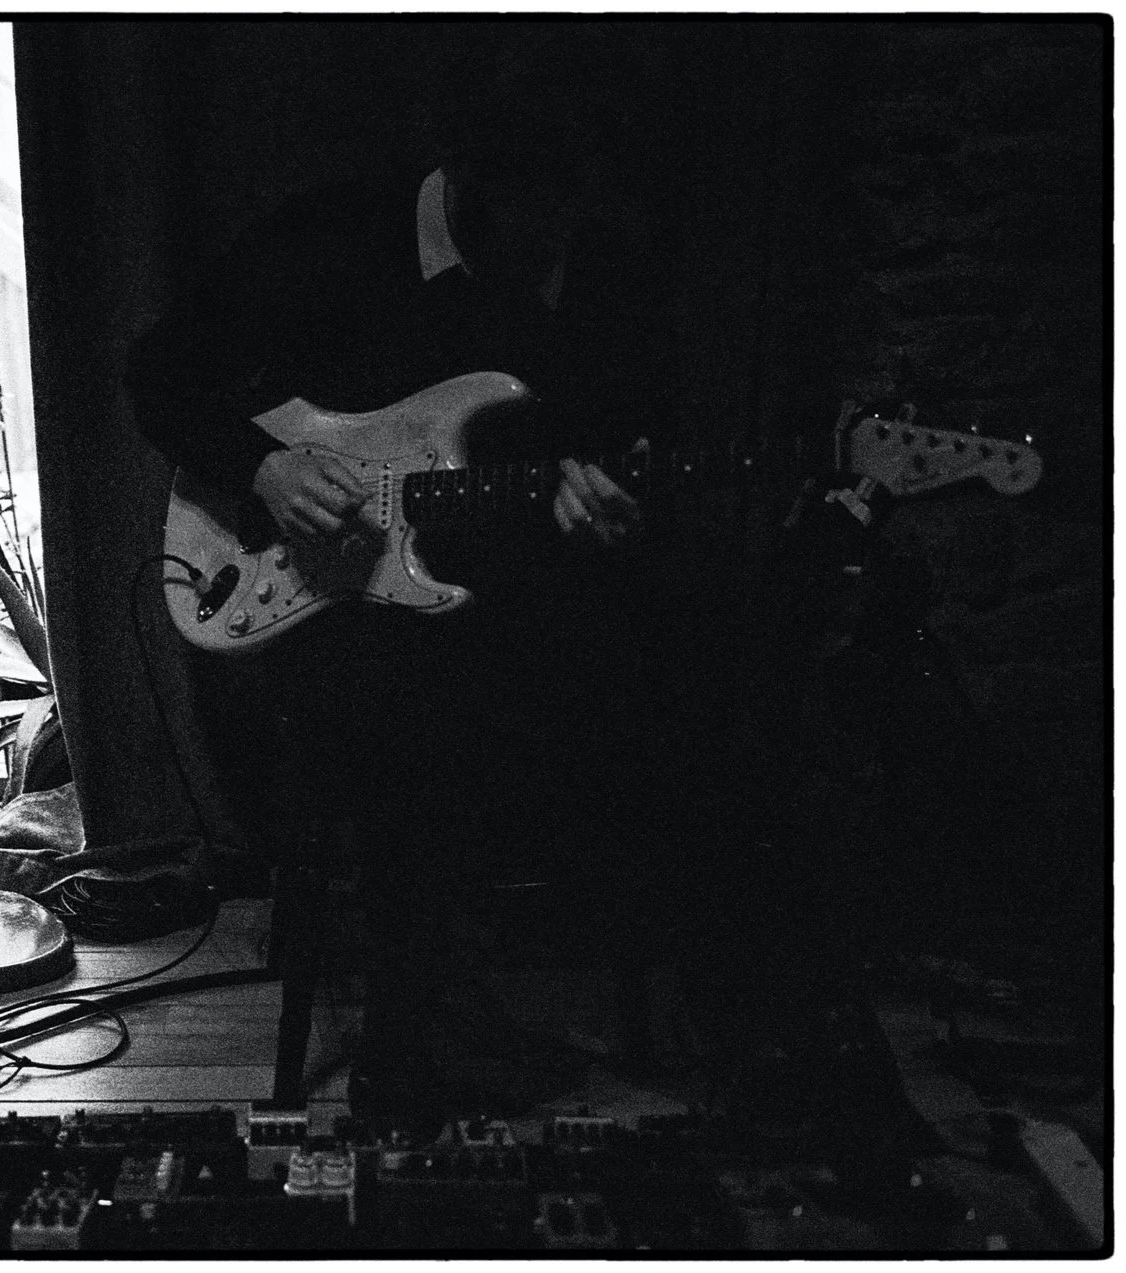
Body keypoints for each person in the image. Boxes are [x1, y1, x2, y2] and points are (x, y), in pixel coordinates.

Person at [125, 103, 877, 1129]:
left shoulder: (594, 268)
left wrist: (599, 502)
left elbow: (607, 437)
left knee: (708, 669)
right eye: (536, 212)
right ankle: (404, 1048)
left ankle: (763, 1041)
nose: (555, 243)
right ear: (473, 178)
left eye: (571, 211)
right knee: (404, 712)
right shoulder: (331, 238)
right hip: (321, 595)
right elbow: (158, 373)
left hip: (507, 583)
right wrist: (267, 468)